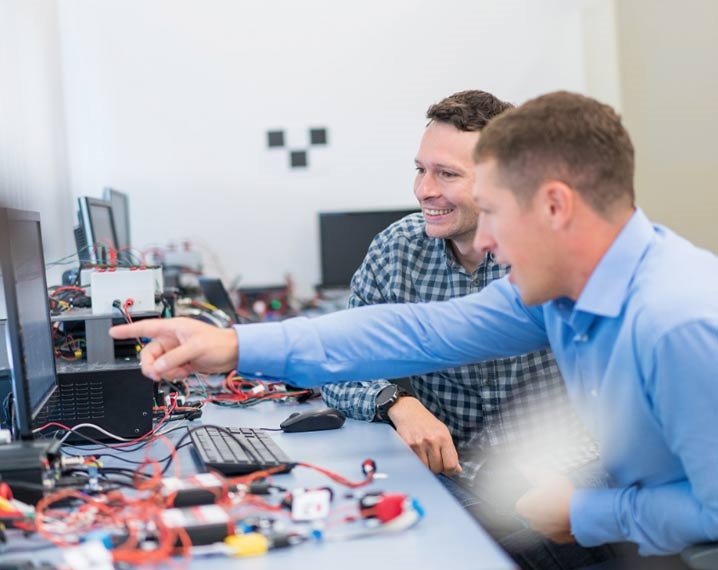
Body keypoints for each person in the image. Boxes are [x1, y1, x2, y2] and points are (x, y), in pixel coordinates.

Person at [111, 91, 718, 567]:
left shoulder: (676, 323)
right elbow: (412, 332)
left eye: (496, 214)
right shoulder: (557, 290)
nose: (484, 242)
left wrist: (590, 513)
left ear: (555, 207)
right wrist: (235, 345)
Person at [318, 90, 601, 554]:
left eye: (447, 174)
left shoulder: (558, 254)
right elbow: (339, 361)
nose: (424, 190)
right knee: (370, 537)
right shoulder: (398, 250)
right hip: (458, 475)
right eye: (420, 169)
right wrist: (395, 401)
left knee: (455, 549)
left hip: (566, 470)